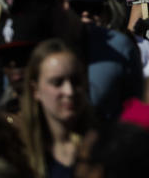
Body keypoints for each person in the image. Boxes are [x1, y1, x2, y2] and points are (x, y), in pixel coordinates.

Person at [19, 39, 94, 177]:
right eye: (57, 82)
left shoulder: (105, 146)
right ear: (35, 90)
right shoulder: (20, 154)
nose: (69, 91)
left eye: (76, 81)